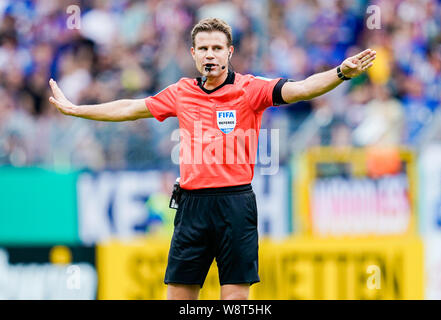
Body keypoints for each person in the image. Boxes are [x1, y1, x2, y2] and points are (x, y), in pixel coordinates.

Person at [49, 18, 376, 300]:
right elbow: (130, 108)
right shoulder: (181, 92)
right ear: (193, 54)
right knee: (179, 295)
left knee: (234, 297)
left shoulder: (251, 89)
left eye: (217, 48)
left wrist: (340, 73)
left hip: (235, 204)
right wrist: (78, 110)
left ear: (229, 52)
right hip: (192, 207)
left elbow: (302, 89)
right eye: (203, 48)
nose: (210, 54)